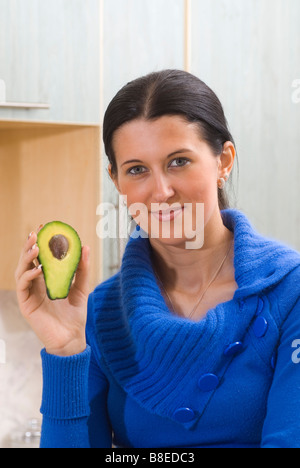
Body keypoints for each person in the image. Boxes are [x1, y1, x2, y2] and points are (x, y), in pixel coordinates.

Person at [15, 70, 300, 448]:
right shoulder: (101, 311)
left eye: (179, 161)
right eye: (136, 170)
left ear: (223, 161)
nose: (161, 192)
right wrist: (66, 349)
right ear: (116, 180)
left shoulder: (289, 290)